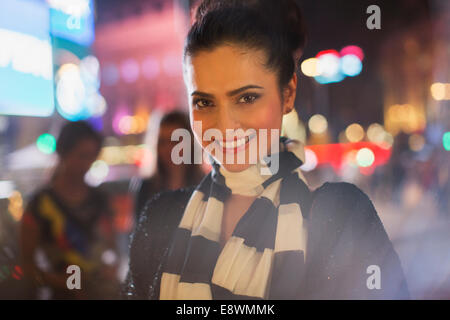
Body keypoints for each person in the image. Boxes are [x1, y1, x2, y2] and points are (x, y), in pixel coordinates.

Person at [124, 0, 409, 300]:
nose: (225, 125)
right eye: (205, 102)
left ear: (288, 93)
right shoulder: (161, 216)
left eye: (246, 98)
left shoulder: (341, 217)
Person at [21, 121, 119, 299]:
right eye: (81, 155)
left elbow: (112, 247)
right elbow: (26, 263)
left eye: (91, 156)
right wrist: (59, 281)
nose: (86, 163)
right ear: (63, 153)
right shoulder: (40, 204)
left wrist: (111, 266)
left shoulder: (100, 199)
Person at [133, 111, 204, 221]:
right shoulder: (147, 188)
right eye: (163, 142)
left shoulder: (206, 187)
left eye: (175, 142)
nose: (168, 149)